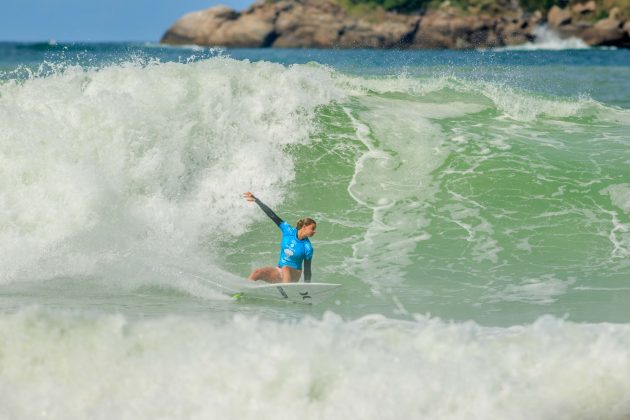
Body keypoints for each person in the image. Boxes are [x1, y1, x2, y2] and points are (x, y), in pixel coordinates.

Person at [243, 192, 316, 283]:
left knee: (286, 269)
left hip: (294, 274)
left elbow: (307, 270)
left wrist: (307, 287)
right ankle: (241, 292)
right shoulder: (288, 230)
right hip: (279, 271)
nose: (314, 231)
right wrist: (257, 201)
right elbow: (272, 215)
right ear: (304, 226)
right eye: (312, 228)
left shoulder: (307, 247)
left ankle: (286, 291)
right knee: (257, 272)